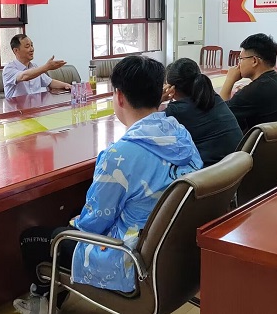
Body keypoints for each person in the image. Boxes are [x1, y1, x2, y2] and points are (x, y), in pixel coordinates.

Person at [13, 56, 203, 314]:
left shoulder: (119, 156)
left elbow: (92, 224)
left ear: (119, 97)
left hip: (129, 260)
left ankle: (43, 304)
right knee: (73, 217)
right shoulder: (180, 134)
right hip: (173, 254)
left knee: (32, 239)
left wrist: (73, 224)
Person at [221, 33, 277, 132]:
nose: (238, 63)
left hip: (275, 141)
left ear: (254, 61)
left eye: (241, 59)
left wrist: (229, 80)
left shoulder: (255, 90)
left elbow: (220, 115)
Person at [163, 58, 243, 167]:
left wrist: (158, 100)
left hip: (210, 173)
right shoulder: (214, 97)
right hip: (237, 167)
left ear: (171, 89)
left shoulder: (177, 110)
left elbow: (144, 128)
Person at [3, 34, 71, 99]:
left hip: (37, 105)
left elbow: (50, 82)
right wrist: (46, 67)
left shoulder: (34, 67)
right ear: (16, 50)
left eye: (32, 45)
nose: (32, 49)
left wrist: (68, 86)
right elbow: (24, 76)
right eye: (27, 46)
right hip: (17, 106)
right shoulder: (9, 69)